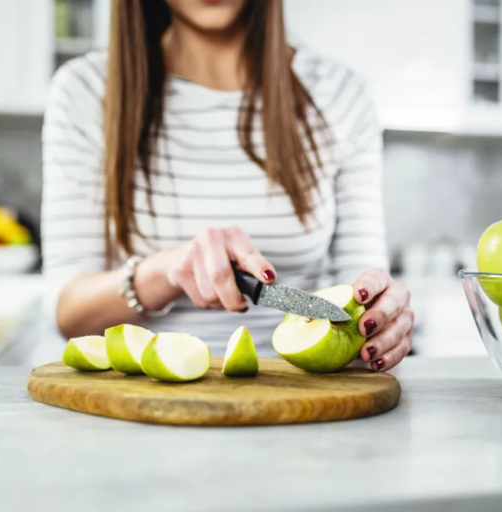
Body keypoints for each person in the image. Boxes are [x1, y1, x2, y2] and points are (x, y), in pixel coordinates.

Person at [41, 0, 413, 372]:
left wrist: (383, 313)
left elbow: (362, 279)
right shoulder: (86, 91)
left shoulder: (340, 96)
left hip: (301, 397)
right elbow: (67, 311)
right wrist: (163, 273)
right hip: (143, 399)